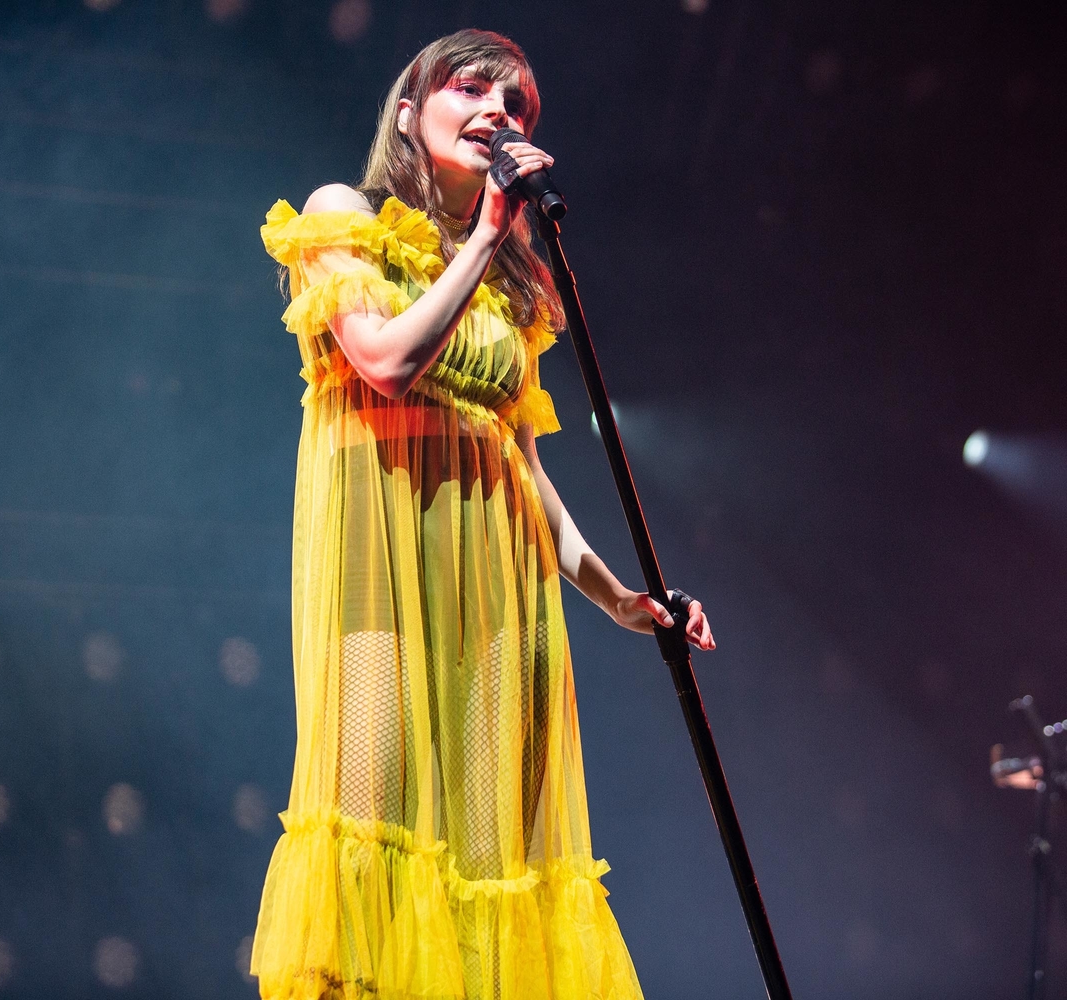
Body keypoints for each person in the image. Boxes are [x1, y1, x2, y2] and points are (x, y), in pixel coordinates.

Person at [250, 29, 714, 1000]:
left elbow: (525, 468)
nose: (499, 112)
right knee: (369, 815)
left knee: (492, 848)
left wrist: (625, 600)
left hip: (502, 598)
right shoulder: (344, 217)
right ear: (411, 113)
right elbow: (383, 360)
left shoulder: (516, 295)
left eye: (520, 107)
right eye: (474, 89)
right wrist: (491, 239)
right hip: (383, 573)